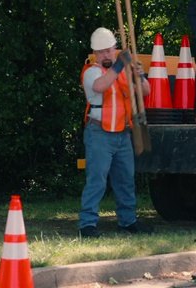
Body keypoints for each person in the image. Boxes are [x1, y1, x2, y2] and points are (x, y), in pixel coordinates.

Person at [78, 27, 153, 238]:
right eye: (101, 51)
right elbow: (100, 86)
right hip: (99, 133)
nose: (105, 55)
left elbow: (145, 92)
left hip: (122, 132)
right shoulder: (92, 70)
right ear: (95, 53)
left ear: (114, 49)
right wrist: (121, 65)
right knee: (97, 180)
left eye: (109, 50)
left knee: (125, 179)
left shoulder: (122, 71)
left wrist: (140, 76)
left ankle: (128, 222)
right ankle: (87, 224)